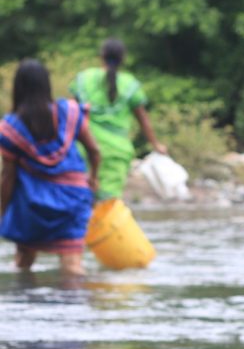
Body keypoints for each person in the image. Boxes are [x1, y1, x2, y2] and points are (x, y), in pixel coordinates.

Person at [0, 59, 101, 276]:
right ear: (47, 85)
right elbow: (95, 151)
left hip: (32, 202)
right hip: (73, 197)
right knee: (73, 265)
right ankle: (77, 308)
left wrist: (3, 208)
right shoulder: (70, 112)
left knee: (23, 263)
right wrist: (93, 178)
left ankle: (21, 307)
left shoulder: (10, 128)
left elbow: (8, 176)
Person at [69, 38, 167, 201]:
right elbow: (143, 120)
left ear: (101, 55)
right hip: (116, 153)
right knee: (109, 203)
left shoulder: (85, 78)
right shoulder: (129, 84)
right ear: (123, 58)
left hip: (84, 147)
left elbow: (70, 112)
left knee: (82, 198)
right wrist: (156, 145)